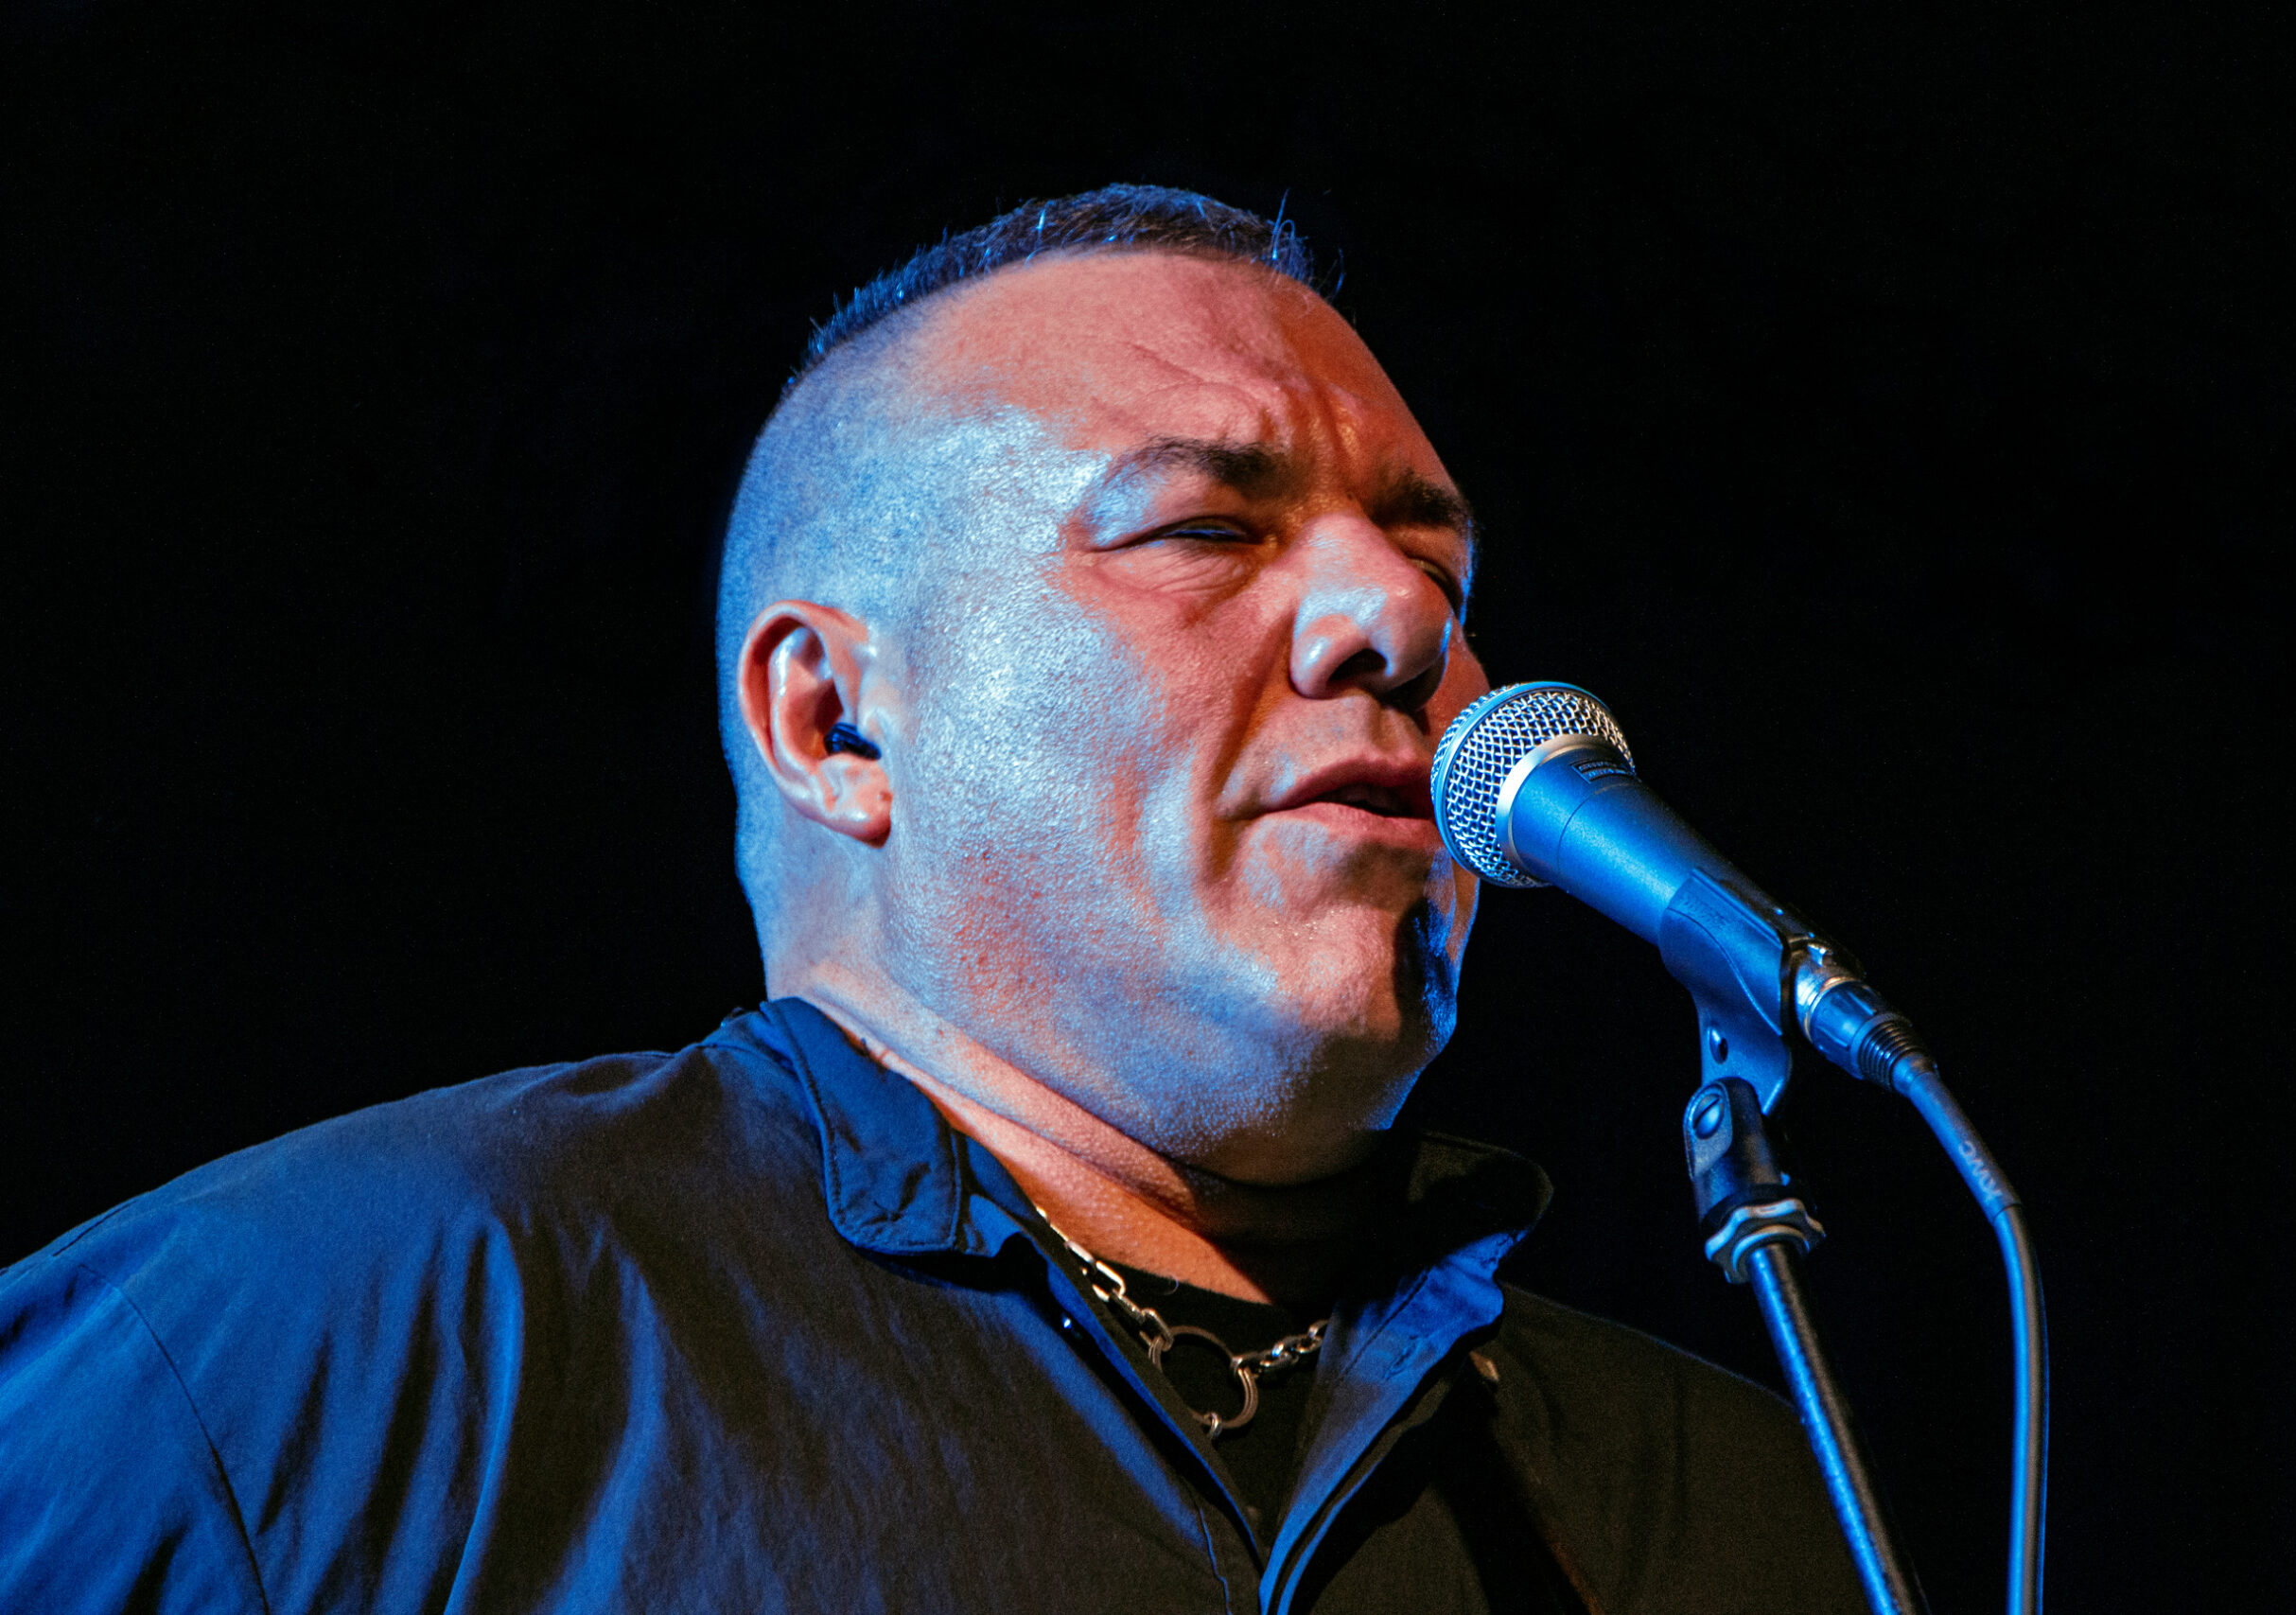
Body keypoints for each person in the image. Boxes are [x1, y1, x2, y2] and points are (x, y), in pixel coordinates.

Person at [0, 186, 1861, 1613]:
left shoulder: (1741, 1498)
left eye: (1437, 571)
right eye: (1204, 527)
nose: (1396, 619)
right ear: (834, 721)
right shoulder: (306, 1346)